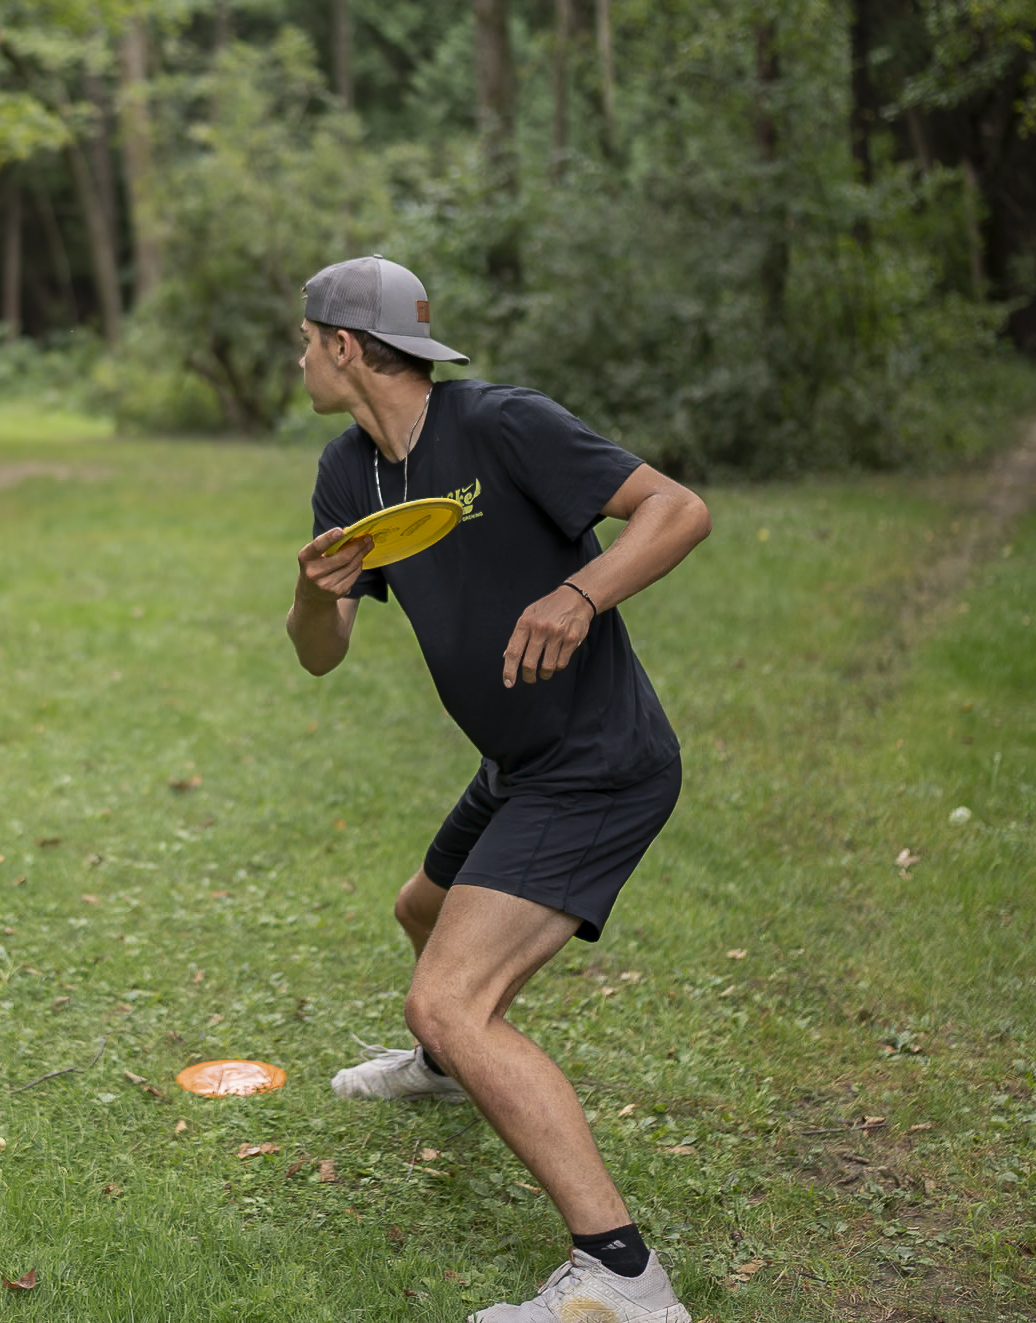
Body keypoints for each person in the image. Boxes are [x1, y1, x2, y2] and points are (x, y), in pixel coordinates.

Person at [284, 255, 710, 1323]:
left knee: (446, 994)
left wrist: (579, 592)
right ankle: (446, 1066)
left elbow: (677, 510)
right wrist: (309, 589)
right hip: (518, 765)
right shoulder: (349, 471)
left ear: (343, 346)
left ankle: (621, 1279)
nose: (297, 357)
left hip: (598, 763)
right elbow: (321, 656)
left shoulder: (503, 424)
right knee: (418, 913)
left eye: (303, 339)